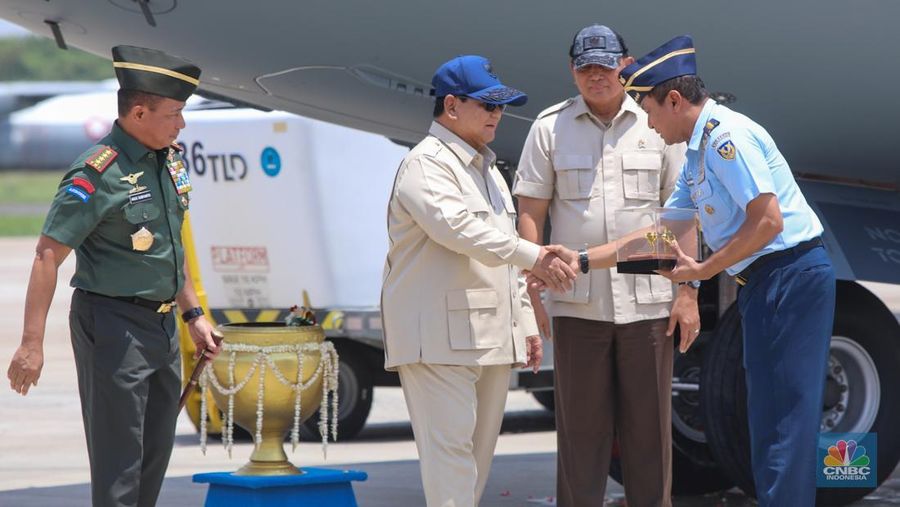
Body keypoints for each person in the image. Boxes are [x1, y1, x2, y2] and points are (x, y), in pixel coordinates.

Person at [617, 35, 835, 506]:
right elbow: (664, 230)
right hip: (764, 282)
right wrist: (580, 260)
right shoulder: (697, 155)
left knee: (786, 423)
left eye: (650, 111)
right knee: (766, 419)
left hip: (790, 276)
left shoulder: (725, 138)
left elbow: (768, 219)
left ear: (674, 100)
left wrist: (705, 269)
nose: (649, 125)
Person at [6, 45, 220, 507]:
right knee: (119, 468)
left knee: (152, 460)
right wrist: (30, 344)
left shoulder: (166, 160)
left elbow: (169, 247)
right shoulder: (97, 172)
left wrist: (193, 314)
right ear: (139, 112)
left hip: (162, 327)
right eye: (174, 114)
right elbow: (48, 254)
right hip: (113, 325)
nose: (181, 124)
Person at [380, 54, 576, 507]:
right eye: (487, 105)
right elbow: (461, 232)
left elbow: (500, 250)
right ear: (451, 105)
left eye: (500, 106)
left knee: (474, 466)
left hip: (485, 334)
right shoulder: (426, 163)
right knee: (452, 466)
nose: (497, 114)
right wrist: (538, 256)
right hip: (436, 340)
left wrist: (524, 320)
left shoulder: (486, 170)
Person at [513, 24, 694, 507]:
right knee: (580, 440)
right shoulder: (549, 127)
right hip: (577, 303)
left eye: (604, 65)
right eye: (585, 67)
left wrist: (688, 294)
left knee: (650, 439)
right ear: (571, 71)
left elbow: (682, 215)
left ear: (624, 64)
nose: (596, 76)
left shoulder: (653, 121)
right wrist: (532, 296)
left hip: (647, 304)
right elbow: (529, 214)